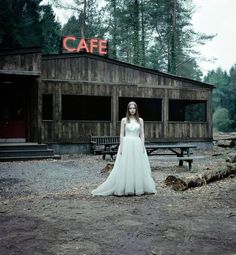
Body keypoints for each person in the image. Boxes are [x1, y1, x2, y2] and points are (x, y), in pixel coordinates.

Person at [91, 101, 156, 196]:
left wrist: (142, 146)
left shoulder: (140, 120)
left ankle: (137, 187)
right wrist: (121, 147)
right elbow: (121, 134)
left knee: (137, 165)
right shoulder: (124, 120)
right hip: (127, 144)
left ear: (136, 109)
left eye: (134, 108)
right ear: (128, 109)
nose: (132, 110)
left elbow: (142, 134)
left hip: (137, 144)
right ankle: (126, 187)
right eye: (130, 108)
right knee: (127, 165)